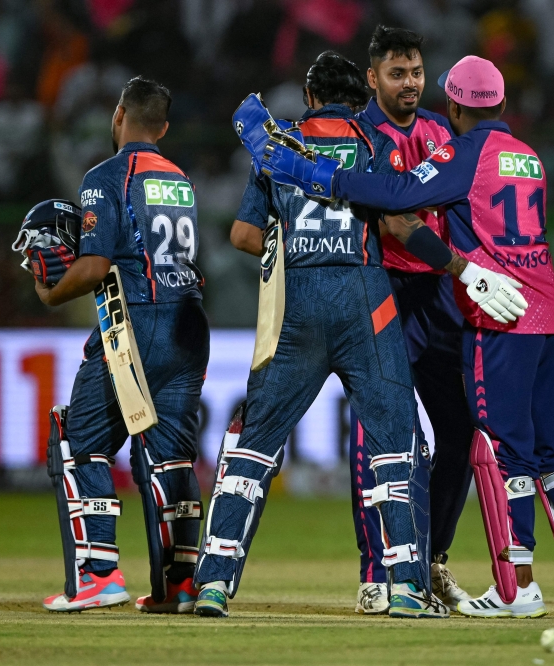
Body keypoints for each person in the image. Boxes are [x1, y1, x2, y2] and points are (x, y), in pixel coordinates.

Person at [256, 55, 554, 618]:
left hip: (501, 315)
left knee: (501, 448)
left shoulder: (462, 152)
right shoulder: (529, 156)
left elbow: (397, 196)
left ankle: (517, 587)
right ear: (500, 102)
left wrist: (307, 172)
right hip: (553, 312)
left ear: (454, 104)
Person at [194, 52, 525, 619]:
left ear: (309, 92)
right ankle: (403, 588)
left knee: (254, 443)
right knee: (397, 442)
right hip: (367, 306)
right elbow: (399, 220)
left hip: (297, 308)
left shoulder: (279, 148)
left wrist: (294, 240)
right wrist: (460, 268)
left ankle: (214, 584)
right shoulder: (376, 144)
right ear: (360, 98)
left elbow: (244, 235)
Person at [38, 77, 209, 613]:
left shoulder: (105, 176)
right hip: (189, 324)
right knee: (170, 458)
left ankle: (98, 574)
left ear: (118, 116)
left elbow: (94, 265)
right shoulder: (180, 179)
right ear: (162, 127)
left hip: (135, 325)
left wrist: (49, 293)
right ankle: (179, 587)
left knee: (77, 441)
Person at [347, 24, 475, 615]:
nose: (410, 84)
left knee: (461, 431)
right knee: (386, 434)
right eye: (397, 74)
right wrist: (462, 268)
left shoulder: (440, 130)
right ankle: (379, 571)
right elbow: (394, 223)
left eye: (417, 73)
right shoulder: (360, 136)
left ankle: (432, 562)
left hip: (440, 300)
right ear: (372, 78)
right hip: (385, 292)